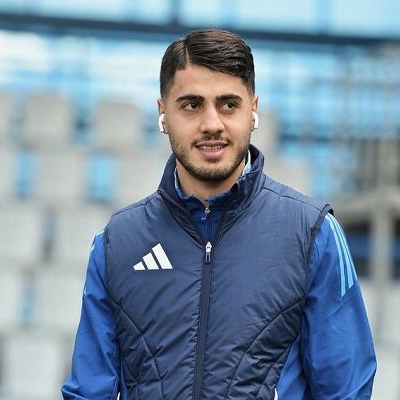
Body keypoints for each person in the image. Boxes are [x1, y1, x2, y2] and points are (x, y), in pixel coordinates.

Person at [62, 29, 376, 400]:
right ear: (163, 113)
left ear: (253, 110)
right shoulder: (119, 242)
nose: (212, 124)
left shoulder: (313, 233)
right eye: (191, 105)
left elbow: (346, 391)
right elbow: (89, 392)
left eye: (228, 104)